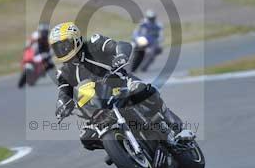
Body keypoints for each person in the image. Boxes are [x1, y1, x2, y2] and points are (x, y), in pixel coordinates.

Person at [48, 22, 189, 153]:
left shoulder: (94, 43)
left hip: (121, 85)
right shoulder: (64, 71)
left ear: (76, 39)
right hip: (98, 108)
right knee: (87, 137)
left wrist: (120, 56)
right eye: (57, 48)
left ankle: (174, 127)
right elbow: (64, 91)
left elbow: (120, 45)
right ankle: (120, 147)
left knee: (142, 90)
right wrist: (62, 104)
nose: (63, 50)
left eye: (65, 45)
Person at [18, 23, 54, 88]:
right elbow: (28, 44)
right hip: (32, 54)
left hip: (42, 55)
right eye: (42, 31)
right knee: (24, 57)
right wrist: (27, 47)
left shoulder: (49, 39)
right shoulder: (35, 36)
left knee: (50, 64)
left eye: (45, 32)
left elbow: (51, 51)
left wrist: (47, 55)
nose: (44, 33)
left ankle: (40, 73)